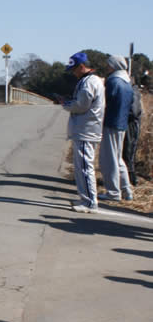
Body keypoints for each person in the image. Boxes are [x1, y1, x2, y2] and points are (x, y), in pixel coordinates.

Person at [62, 52, 104, 213]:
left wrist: (66, 104)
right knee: (81, 166)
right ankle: (85, 197)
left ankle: (90, 202)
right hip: (85, 128)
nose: (73, 73)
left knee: (85, 166)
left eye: (74, 69)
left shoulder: (89, 82)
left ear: (82, 66)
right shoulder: (90, 81)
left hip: (87, 129)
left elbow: (81, 105)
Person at [98, 55, 134, 201]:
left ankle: (113, 192)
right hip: (122, 123)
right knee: (118, 159)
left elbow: (104, 101)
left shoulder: (113, 81)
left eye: (109, 64)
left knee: (108, 159)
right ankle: (126, 190)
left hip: (111, 122)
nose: (107, 67)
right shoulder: (127, 81)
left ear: (114, 66)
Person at [123, 84, 142, 186]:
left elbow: (134, 111)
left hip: (131, 124)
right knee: (128, 150)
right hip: (130, 123)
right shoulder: (133, 89)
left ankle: (130, 179)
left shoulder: (132, 90)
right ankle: (129, 178)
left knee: (128, 150)